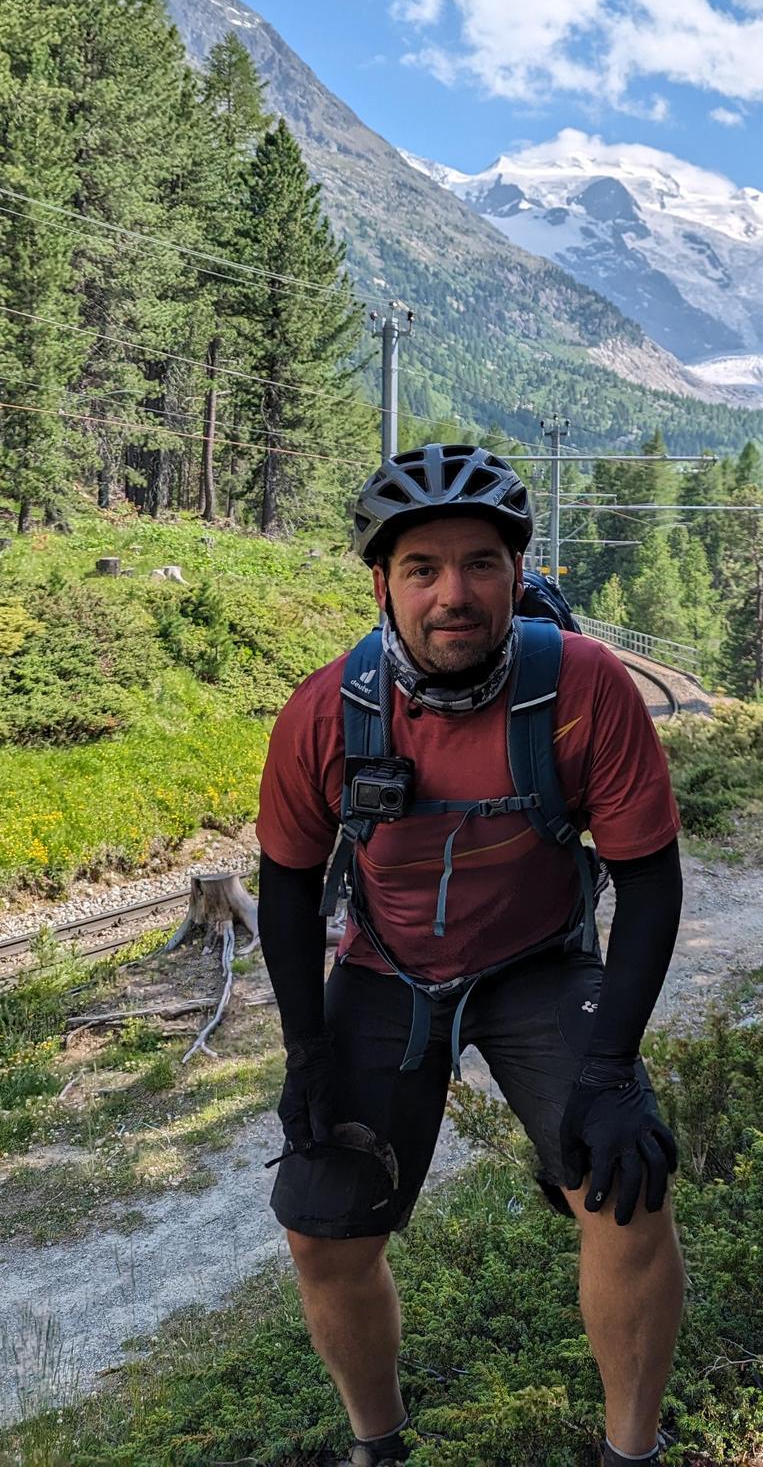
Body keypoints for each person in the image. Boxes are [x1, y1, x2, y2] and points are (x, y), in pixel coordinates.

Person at [256, 443, 686, 1467]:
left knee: (628, 1193)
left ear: (519, 574)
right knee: (323, 1229)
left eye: (482, 563)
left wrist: (610, 1068)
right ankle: (379, 1447)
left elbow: (650, 881)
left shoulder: (585, 687)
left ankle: (631, 1452)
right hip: (386, 968)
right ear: (382, 584)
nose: (454, 592)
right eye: (423, 568)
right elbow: (286, 888)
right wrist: (307, 1054)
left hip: (540, 960)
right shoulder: (326, 711)